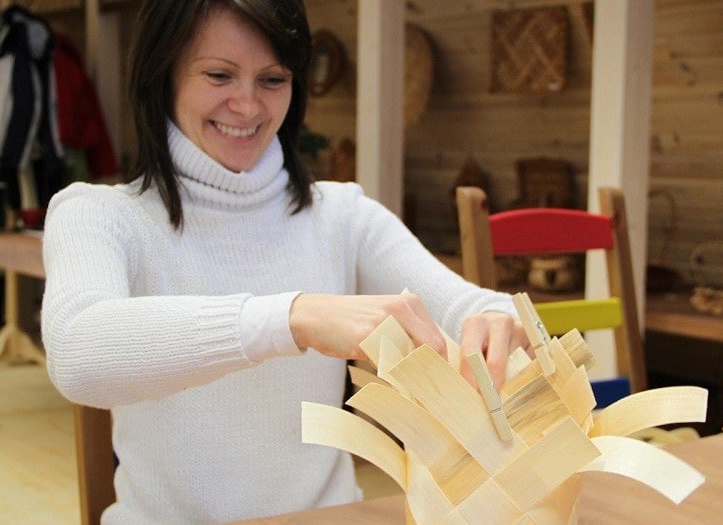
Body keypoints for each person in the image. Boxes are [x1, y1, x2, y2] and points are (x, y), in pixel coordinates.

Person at [41, 0, 528, 523]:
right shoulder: (99, 215)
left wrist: (501, 320)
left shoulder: (342, 215)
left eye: (272, 79)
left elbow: (467, 305)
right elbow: (76, 351)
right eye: (219, 75)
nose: (248, 106)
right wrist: (291, 319)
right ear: (163, 74)